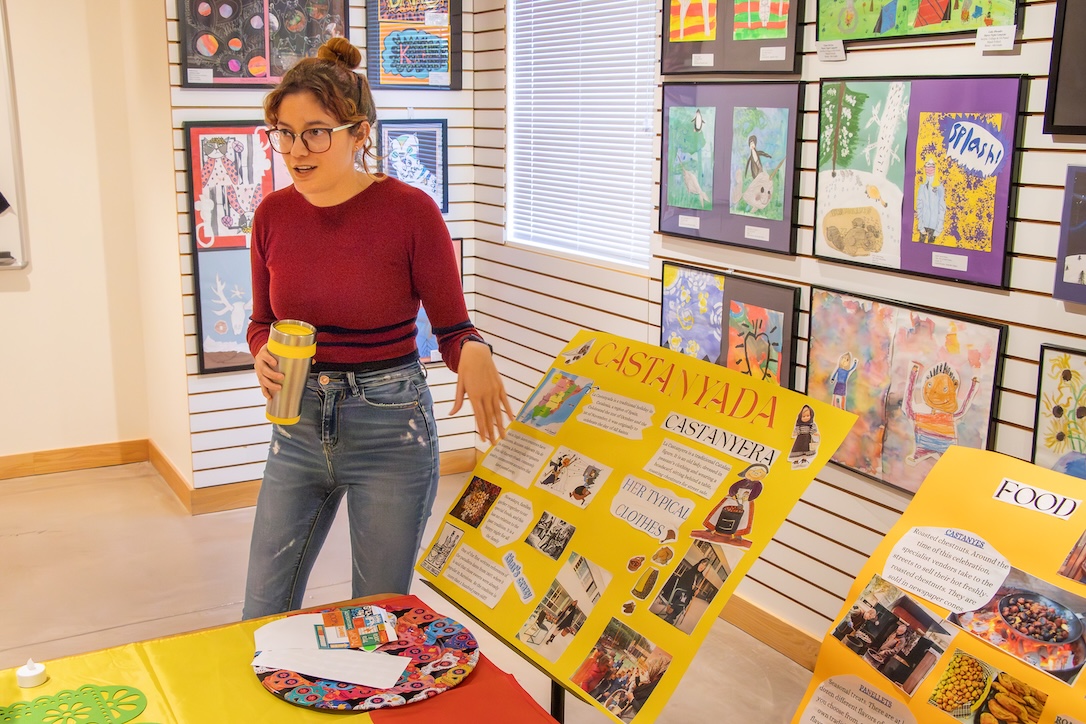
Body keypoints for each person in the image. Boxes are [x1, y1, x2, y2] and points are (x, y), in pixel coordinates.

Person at [242, 38, 512, 620]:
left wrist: (475, 352)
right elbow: (261, 321)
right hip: (298, 426)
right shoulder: (272, 215)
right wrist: (262, 351)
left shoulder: (410, 212)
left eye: (315, 132)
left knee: (379, 618)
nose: (296, 150)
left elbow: (453, 328)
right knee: (260, 613)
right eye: (284, 133)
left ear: (360, 133)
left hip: (391, 428)